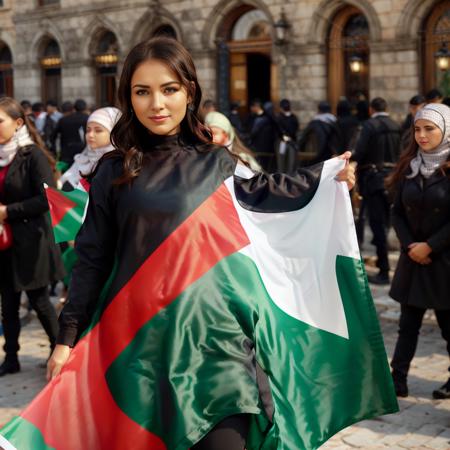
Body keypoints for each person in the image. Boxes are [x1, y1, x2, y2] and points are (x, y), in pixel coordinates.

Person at [47, 37, 354, 449]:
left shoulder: (218, 162)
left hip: (216, 346)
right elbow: (92, 259)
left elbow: (269, 194)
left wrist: (327, 180)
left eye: (169, 89)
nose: (157, 103)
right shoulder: (115, 170)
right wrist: (67, 338)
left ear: (189, 92)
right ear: (128, 98)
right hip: (139, 345)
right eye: (143, 91)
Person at [387, 103, 450, 399]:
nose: (422, 136)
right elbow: (396, 212)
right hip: (413, 259)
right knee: (407, 325)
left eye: (429, 129)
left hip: (444, 261)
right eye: (418, 129)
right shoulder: (409, 166)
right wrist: (410, 245)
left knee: (449, 328)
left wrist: (430, 246)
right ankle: (396, 379)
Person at [0, 97, 65, 376]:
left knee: (39, 301)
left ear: (17, 123)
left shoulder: (32, 155)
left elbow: (46, 198)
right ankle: (11, 358)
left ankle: (59, 350)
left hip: (32, 240)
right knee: (8, 302)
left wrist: (8, 211)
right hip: (5, 241)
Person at [353, 97, 401, 285]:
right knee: (392, 221)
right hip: (394, 179)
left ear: (372, 109)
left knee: (377, 224)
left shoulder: (369, 125)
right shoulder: (396, 125)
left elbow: (360, 151)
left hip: (374, 179)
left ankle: (384, 269)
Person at [59, 107, 121, 190]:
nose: (90, 135)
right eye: (88, 130)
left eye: (98, 130)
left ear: (114, 133)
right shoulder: (83, 158)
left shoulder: (118, 164)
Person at [298, 101, 340, 166]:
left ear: (319, 110)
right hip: (332, 155)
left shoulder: (314, 123)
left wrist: (299, 147)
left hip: (317, 155)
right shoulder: (335, 122)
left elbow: (304, 137)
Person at [52, 99, 89, 166]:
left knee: (66, 173)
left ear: (74, 108)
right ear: (85, 108)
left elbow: (53, 136)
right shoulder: (88, 118)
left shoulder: (63, 120)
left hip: (66, 152)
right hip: (83, 150)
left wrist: (54, 151)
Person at [248, 98, 276, 170]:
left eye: (252, 107)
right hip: (262, 147)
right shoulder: (255, 117)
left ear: (256, 107)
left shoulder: (265, 119)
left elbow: (253, 133)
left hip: (263, 147)